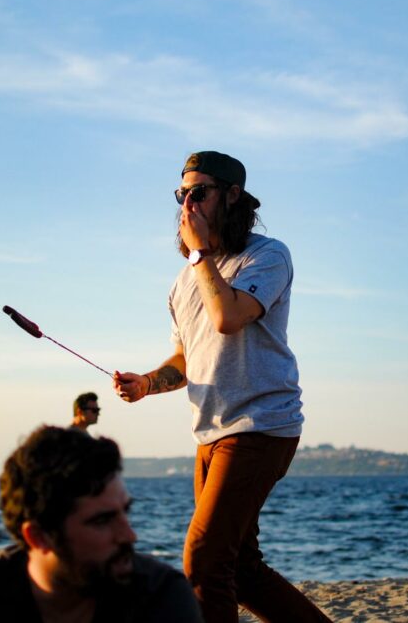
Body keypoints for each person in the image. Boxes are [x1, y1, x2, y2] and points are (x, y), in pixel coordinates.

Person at [113, 151, 331, 622]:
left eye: (200, 193)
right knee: (241, 569)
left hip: (261, 425)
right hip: (210, 433)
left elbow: (228, 317)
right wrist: (148, 383)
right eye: (182, 194)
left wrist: (199, 254)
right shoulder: (184, 281)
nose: (187, 204)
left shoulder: (267, 256)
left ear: (232, 196)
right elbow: (187, 357)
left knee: (204, 561)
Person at [0, 426, 203, 623]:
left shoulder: (162, 596)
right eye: (102, 521)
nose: (129, 535)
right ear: (39, 537)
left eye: (125, 512)